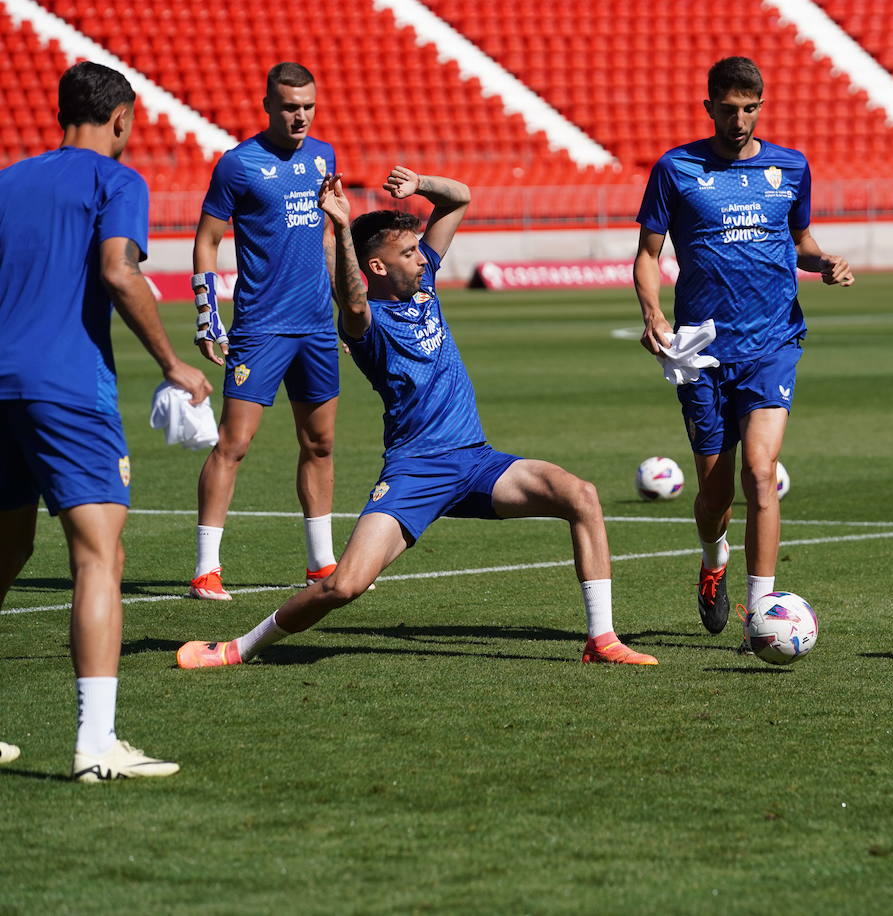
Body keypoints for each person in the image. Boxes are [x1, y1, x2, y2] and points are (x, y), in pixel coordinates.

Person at [175, 167, 657, 669]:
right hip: (417, 470)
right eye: (407, 254)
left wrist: (421, 183)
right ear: (378, 267)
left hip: (477, 462)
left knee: (580, 495)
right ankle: (235, 648)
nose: (421, 260)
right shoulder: (369, 324)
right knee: (344, 585)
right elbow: (352, 299)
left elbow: (461, 198)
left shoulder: (422, 282)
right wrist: (341, 229)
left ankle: (601, 641)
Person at [0, 62, 212, 779]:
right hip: (65, 387)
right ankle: (97, 745)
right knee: (99, 557)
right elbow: (120, 271)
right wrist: (172, 363)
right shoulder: (117, 181)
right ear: (121, 119)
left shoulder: (7, 180)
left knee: (6, 551)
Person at [632, 57, 854, 646]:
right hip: (701, 350)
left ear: (762, 105)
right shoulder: (676, 168)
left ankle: (761, 612)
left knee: (761, 474)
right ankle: (713, 561)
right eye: (727, 109)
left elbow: (800, 240)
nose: (739, 120)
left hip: (773, 342)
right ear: (709, 108)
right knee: (716, 493)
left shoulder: (791, 166)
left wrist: (824, 261)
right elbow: (650, 253)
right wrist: (653, 311)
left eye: (749, 109)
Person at [187, 62, 341, 601]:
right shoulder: (238, 165)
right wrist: (208, 316)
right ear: (268, 106)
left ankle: (321, 563)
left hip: (317, 326)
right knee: (235, 443)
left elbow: (325, 236)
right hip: (261, 327)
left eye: (308, 107)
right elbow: (207, 239)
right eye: (289, 107)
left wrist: (344, 305)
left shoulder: (325, 156)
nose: (300, 116)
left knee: (319, 443)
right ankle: (207, 568)